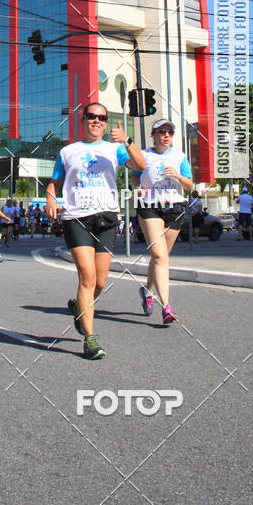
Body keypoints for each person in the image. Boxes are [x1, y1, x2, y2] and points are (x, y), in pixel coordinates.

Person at [46, 102, 146, 360]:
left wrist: (128, 140)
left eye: (102, 117)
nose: (97, 121)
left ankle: (80, 308)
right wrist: (50, 198)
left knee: (101, 281)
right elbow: (54, 182)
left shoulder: (115, 149)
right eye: (92, 116)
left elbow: (141, 165)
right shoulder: (68, 151)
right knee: (87, 277)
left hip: (106, 219)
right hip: (76, 217)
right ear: (83, 120)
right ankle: (90, 339)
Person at [131, 119, 193, 326]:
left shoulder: (179, 156)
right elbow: (134, 177)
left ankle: (148, 291)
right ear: (153, 135)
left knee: (161, 257)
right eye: (161, 132)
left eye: (170, 132)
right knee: (159, 255)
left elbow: (190, 185)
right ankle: (166, 306)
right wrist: (137, 187)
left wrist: (178, 175)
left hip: (174, 208)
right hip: (150, 206)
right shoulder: (144, 155)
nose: (166, 135)